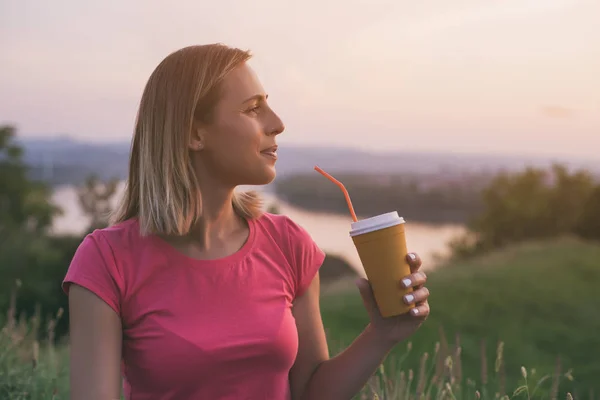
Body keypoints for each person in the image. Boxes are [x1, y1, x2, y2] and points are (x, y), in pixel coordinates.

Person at [63, 43, 431, 400]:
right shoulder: (106, 260)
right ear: (194, 133)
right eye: (253, 109)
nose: (278, 124)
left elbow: (310, 391)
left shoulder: (289, 244)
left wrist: (383, 333)